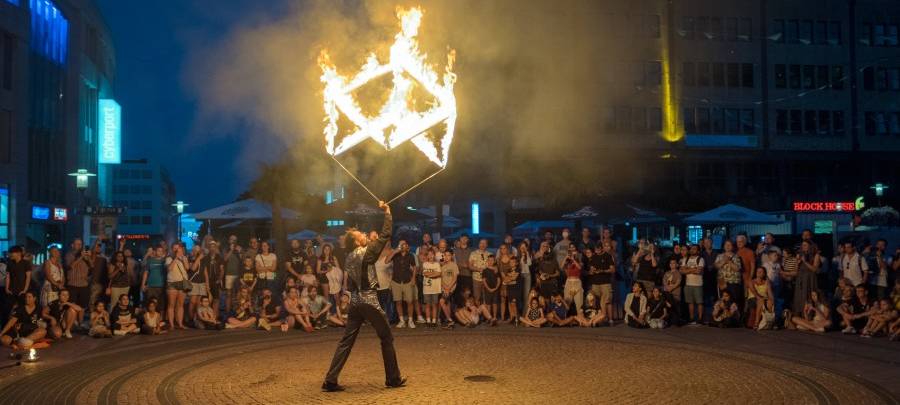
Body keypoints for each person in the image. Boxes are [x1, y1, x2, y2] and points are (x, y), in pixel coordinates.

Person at [323, 202, 406, 392]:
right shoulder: (366, 253)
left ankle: (330, 379)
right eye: (362, 235)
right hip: (369, 301)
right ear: (358, 242)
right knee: (386, 337)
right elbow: (385, 236)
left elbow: (351, 284)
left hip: (355, 302)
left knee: (346, 340)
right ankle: (393, 379)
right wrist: (388, 213)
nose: (365, 235)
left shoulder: (349, 257)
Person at [387, 240, 417, 329]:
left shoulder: (410, 255)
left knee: (410, 301)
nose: (402, 245)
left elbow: (415, 267)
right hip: (396, 281)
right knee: (398, 302)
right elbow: (386, 261)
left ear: (407, 246)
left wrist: (413, 278)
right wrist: (395, 251)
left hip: (407, 281)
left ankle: (410, 320)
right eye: (400, 244)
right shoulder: (395, 254)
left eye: (404, 244)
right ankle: (402, 321)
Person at [166, 242, 191, 330]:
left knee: (180, 305)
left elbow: (187, 268)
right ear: (172, 249)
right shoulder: (169, 258)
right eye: (175, 248)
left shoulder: (184, 257)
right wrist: (176, 258)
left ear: (181, 249)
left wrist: (183, 259)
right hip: (172, 283)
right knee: (171, 304)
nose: (177, 250)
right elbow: (169, 269)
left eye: (178, 248)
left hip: (182, 283)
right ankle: (172, 325)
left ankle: (180, 324)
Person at [590, 242, 616, 325]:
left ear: (602, 248)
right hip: (595, 282)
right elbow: (591, 268)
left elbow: (613, 270)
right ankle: (600, 318)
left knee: (608, 301)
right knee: (597, 301)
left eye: (598, 249)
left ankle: (610, 319)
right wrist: (593, 270)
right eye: (595, 249)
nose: (596, 251)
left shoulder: (607, 256)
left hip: (605, 282)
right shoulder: (593, 256)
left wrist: (603, 271)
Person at [794, 241, 821, 315]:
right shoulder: (800, 255)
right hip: (800, 278)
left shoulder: (816, 255)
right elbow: (796, 270)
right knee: (800, 296)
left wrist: (805, 261)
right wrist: (797, 262)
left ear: (810, 246)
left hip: (810, 278)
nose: (803, 247)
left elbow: (815, 269)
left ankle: (811, 314)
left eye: (805, 245)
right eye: (802, 245)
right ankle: (801, 314)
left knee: (808, 295)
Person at [715, 240, 743, 311]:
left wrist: (729, 261)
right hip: (722, 282)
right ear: (723, 246)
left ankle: (734, 317)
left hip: (733, 282)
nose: (727, 246)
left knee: (734, 300)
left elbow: (737, 268)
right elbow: (716, 266)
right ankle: (724, 317)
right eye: (726, 245)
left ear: (732, 247)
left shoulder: (736, 256)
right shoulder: (719, 256)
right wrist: (724, 261)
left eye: (729, 245)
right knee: (722, 300)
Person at [680, 245, 705, 325]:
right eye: (691, 249)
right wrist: (693, 269)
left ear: (698, 251)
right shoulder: (685, 259)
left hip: (698, 284)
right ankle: (691, 318)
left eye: (694, 249)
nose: (692, 250)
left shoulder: (700, 259)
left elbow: (699, 271)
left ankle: (700, 318)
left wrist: (687, 269)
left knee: (699, 302)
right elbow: (682, 271)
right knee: (690, 302)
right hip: (688, 284)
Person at [66, 244, 92, 317]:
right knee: (72, 305)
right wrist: (81, 257)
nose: (79, 246)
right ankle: (72, 324)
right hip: (72, 284)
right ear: (72, 245)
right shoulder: (69, 255)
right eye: (77, 244)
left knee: (82, 307)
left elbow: (92, 266)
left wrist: (89, 257)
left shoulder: (86, 257)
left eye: (80, 244)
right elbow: (71, 266)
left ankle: (80, 324)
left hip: (84, 285)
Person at [420, 250, 442, 327]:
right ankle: (428, 320)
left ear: (434, 255)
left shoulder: (437, 264)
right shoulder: (425, 264)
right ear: (427, 256)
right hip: (427, 288)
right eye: (429, 254)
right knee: (427, 305)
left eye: (432, 254)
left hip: (435, 288)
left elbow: (439, 273)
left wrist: (431, 274)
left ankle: (434, 320)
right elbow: (425, 274)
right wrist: (434, 274)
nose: (431, 256)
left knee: (434, 305)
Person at [439, 251, 459, 329]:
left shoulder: (454, 265)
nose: (447, 257)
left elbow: (455, 278)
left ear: (451, 256)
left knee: (442, 301)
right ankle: (450, 322)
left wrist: (448, 288)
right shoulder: (443, 266)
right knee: (447, 303)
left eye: (448, 255)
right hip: (443, 288)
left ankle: (450, 320)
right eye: (445, 255)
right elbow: (440, 278)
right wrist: (444, 287)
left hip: (451, 288)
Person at [223, 236, 243, 314]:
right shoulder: (226, 249)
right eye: (232, 239)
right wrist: (231, 250)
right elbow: (225, 259)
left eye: (235, 240)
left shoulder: (239, 249)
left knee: (238, 293)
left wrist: (240, 252)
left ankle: (237, 312)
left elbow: (242, 260)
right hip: (229, 274)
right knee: (228, 294)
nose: (233, 241)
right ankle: (228, 312)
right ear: (229, 240)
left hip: (238, 274)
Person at [561, 244, 584, 313]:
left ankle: (581, 320)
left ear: (576, 249)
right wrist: (566, 257)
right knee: (567, 302)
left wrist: (573, 259)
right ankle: (564, 320)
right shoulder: (567, 260)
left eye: (573, 247)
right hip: (568, 282)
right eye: (570, 247)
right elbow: (561, 267)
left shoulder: (580, 257)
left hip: (577, 282)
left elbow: (580, 268)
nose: (572, 249)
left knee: (579, 303)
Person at [468, 239, 491, 304]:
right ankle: (478, 312)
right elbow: (470, 266)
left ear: (487, 245)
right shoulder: (473, 253)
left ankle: (485, 312)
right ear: (478, 244)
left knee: (486, 297)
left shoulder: (490, 254)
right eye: (481, 243)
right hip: (476, 279)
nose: (482, 245)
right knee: (477, 297)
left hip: (487, 279)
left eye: (484, 243)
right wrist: (479, 269)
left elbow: (493, 266)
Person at [662, 258, 682, 323]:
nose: (672, 264)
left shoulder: (678, 273)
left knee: (675, 308)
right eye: (671, 263)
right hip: (667, 293)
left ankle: (676, 320)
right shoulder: (667, 272)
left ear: (676, 265)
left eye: (673, 263)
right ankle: (667, 319)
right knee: (667, 305)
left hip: (675, 294)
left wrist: (671, 288)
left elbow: (678, 282)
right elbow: (664, 280)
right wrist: (667, 287)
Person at [481, 255, 501, 321]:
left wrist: (496, 288)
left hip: (495, 289)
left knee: (495, 303)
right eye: (489, 260)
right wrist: (488, 288)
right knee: (488, 304)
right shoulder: (485, 270)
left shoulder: (496, 270)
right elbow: (484, 280)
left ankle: (494, 317)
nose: (490, 261)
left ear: (494, 261)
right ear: (487, 261)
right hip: (487, 289)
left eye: (492, 260)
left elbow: (499, 280)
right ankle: (489, 317)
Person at [517, 242, 533, 311]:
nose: (523, 248)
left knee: (526, 294)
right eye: (521, 247)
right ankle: (519, 311)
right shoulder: (518, 255)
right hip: (520, 275)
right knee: (520, 294)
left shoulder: (529, 255)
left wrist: (527, 253)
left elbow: (529, 263)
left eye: (524, 247)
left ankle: (525, 312)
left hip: (527, 275)